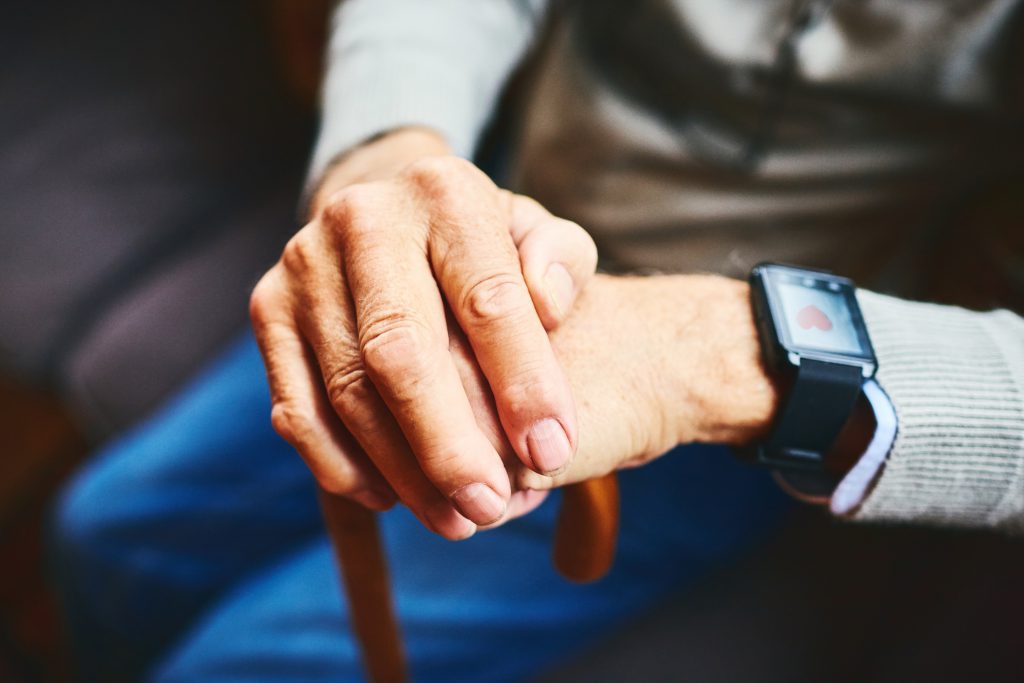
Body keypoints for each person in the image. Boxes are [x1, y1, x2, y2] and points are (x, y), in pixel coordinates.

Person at [53, 1, 1024, 680]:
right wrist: (389, 150)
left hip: (759, 392)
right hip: (482, 244)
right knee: (103, 535)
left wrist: (714, 353)